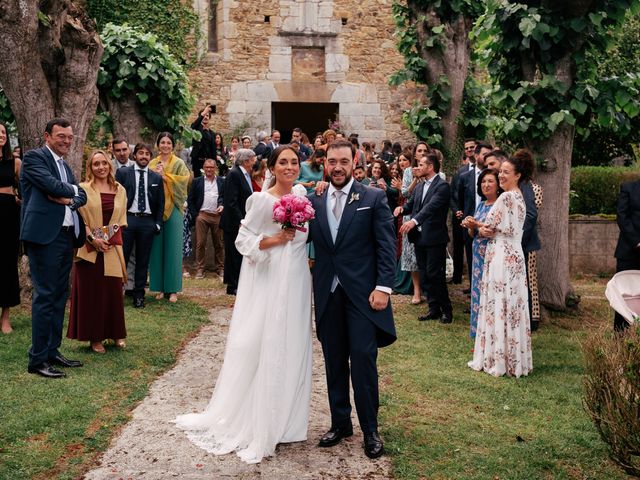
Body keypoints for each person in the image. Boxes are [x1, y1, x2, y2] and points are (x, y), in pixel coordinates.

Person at [175, 145, 312, 464]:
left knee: (295, 344)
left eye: (294, 162)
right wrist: (275, 240)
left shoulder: (303, 197)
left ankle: (290, 423)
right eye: (283, 163)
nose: (290, 167)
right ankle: (263, 422)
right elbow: (242, 240)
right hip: (271, 279)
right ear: (272, 167)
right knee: (268, 344)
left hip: (298, 280)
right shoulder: (262, 200)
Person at [308, 138, 396, 459]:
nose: (338, 167)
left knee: (362, 359)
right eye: (332, 161)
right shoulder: (313, 200)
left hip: (362, 296)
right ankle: (340, 422)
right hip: (327, 294)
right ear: (325, 162)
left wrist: (384, 287)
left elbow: (386, 245)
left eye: (344, 161)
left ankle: (370, 430)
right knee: (333, 360)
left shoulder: (372, 197)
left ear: (354, 161)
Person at [20, 118, 87, 378]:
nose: (67, 141)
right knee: (46, 295)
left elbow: (82, 195)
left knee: (60, 295)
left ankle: (51, 351)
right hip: (44, 236)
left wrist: (67, 194)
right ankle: (37, 360)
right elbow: (50, 187)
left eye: (70, 137)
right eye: (61, 136)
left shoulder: (65, 166)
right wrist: (71, 192)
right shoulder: (35, 158)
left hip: (66, 236)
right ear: (47, 136)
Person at [468, 151, 534, 378]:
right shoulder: (520, 199)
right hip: (515, 255)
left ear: (518, 175)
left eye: (506, 172)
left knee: (498, 304)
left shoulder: (505, 198)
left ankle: (497, 359)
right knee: (512, 306)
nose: (501, 176)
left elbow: (487, 228)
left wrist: (477, 225)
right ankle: (514, 360)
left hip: (500, 256)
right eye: (501, 172)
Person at [68, 151, 128, 353]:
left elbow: (121, 221)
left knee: (112, 291)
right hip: (88, 247)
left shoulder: (120, 190)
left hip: (111, 246)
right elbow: (79, 218)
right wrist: (94, 240)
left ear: (110, 166)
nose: (101, 167)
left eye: (104, 163)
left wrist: (107, 238)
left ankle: (115, 332)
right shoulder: (83, 189)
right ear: (90, 168)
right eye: (96, 164)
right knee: (92, 293)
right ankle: (95, 337)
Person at [395, 153, 453, 324]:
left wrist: (413, 221)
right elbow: (412, 204)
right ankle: (433, 309)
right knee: (425, 275)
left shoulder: (442, 186)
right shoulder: (419, 186)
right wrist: (402, 210)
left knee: (436, 275)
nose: (417, 167)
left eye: (421, 165)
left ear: (431, 167)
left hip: (435, 238)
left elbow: (430, 208)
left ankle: (446, 310)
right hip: (419, 237)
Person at [116, 143, 165, 308]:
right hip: (128, 220)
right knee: (121, 258)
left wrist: (157, 224)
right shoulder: (123, 173)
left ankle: (139, 295)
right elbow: (116, 197)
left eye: (147, 154)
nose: (144, 156)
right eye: (140, 153)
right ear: (134, 155)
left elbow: (160, 203)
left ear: (150, 157)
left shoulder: (156, 177)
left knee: (142, 261)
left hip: (147, 222)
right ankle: (117, 293)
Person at [149, 132, 190, 303]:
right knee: (156, 248)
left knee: (173, 248)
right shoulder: (152, 163)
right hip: (155, 209)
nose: (165, 145)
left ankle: (172, 289)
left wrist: (165, 177)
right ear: (158, 145)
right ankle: (159, 287)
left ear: (172, 146)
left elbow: (184, 181)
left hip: (174, 207)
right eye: (162, 142)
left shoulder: (179, 163)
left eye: (168, 143)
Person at [461, 168, 502, 339]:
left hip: (493, 254)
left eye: (490, 181)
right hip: (477, 254)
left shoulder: (500, 204)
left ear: (498, 184)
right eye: (483, 182)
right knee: (477, 291)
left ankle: (492, 333)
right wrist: (471, 226)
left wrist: (476, 223)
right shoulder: (481, 204)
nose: (486, 185)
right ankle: (478, 334)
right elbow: (474, 233)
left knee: (491, 293)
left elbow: (492, 230)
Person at [220, 148, 256, 295]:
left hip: (240, 220)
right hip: (233, 222)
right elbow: (231, 202)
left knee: (237, 254)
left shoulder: (244, 174)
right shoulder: (235, 174)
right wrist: (240, 220)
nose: (255, 162)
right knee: (234, 254)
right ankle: (233, 285)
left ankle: (234, 283)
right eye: (253, 159)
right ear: (246, 161)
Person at [188, 158, 225, 279]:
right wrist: (196, 215)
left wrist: (222, 206)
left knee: (219, 243)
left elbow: (225, 197)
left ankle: (220, 268)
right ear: (203, 168)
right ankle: (200, 269)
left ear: (215, 168)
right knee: (200, 243)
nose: (209, 169)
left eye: (211, 167)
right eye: (207, 167)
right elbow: (191, 199)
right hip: (202, 215)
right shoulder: (197, 181)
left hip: (217, 216)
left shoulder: (221, 182)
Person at [0, 121, 21, 334]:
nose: (1, 135)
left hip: (7, 215)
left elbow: (24, 188)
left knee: (6, 264)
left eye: (4, 132)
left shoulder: (14, 162)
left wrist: (18, 199)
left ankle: (5, 317)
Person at [613, 178, 640, 331]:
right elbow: (622, 216)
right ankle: (621, 343)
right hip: (628, 253)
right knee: (624, 299)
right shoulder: (628, 187)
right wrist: (636, 241)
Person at [450, 139, 476, 284]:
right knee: (459, 246)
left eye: (472, 147)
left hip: (475, 216)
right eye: (467, 148)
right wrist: (456, 210)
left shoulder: (484, 171)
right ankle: (457, 276)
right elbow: (453, 193)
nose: (469, 150)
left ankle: (473, 283)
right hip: (460, 216)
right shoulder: (461, 172)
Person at [190, 105, 216, 178]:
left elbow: (213, 149)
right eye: (204, 115)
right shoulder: (196, 129)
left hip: (208, 163)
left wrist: (214, 162)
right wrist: (203, 113)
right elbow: (193, 126)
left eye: (207, 115)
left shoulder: (212, 133)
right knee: (198, 182)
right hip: (198, 161)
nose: (205, 117)